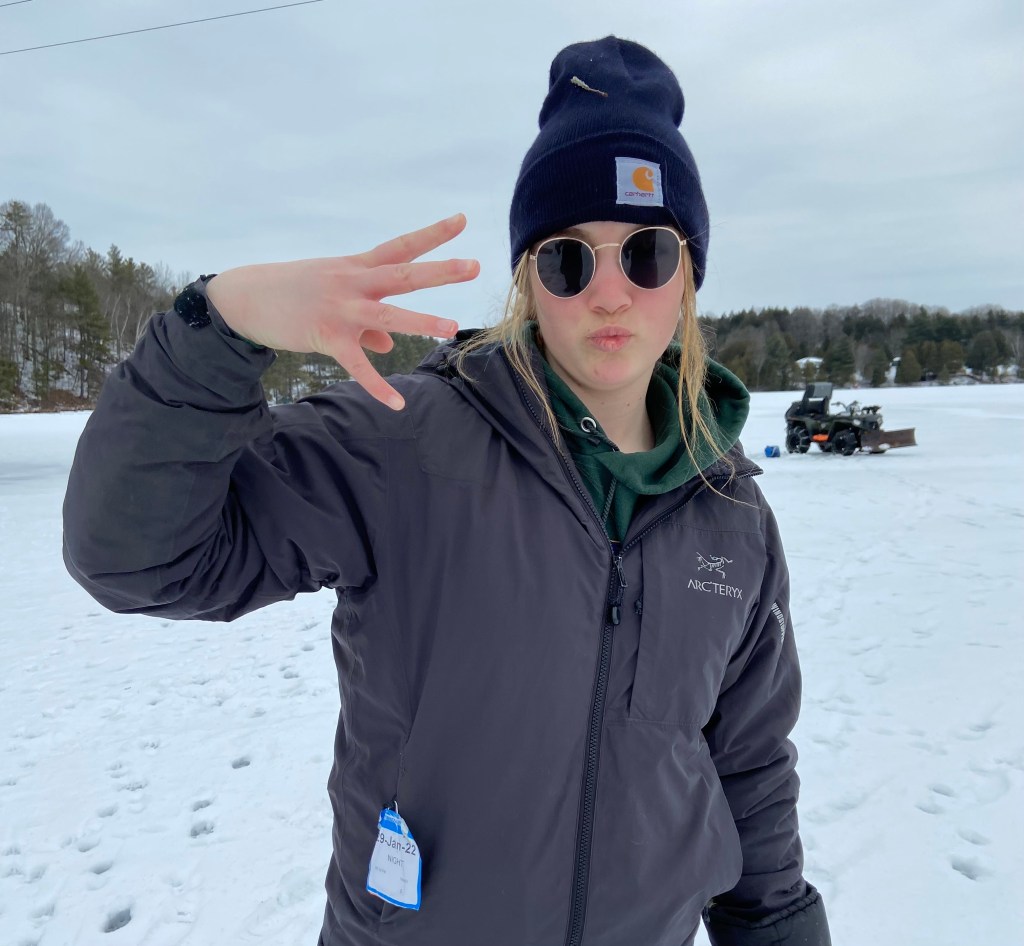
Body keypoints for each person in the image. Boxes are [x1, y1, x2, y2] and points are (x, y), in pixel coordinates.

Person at [63, 36, 831, 946]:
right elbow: (138, 558)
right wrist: (219, 324)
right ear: (527, 280)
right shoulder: (403, 441)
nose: (611, 294)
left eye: (648, 254)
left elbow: (745, 768)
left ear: (690, 274)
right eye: (569, 259)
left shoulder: (730, 511)